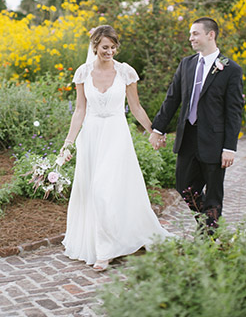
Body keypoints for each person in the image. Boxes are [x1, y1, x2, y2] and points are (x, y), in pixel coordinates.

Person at [60, 25, 173, 271]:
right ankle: (101, 243)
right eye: (104, 48)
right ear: (95, 47)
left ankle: (106, 251)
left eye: (112, 47)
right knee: (93, 190)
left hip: (115, 136)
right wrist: (68, 142)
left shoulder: (125, 72)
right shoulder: (83, 73)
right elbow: (79, 110)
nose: (109, 52)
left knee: (104, 189)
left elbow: (136, 108)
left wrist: (154, 130)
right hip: (91, 136)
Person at [149, 17, 244, 233]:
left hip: (215, 141)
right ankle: (208, 223)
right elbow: (172, 99)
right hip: (188, 137)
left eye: (195, 33)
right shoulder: (187, 64)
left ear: (211, 35)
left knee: (213, 193)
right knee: (183, 186)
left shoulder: (230, 69)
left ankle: (208, 236)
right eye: (191, 34)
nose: (190, 37)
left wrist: (229, 148)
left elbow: (234, 112)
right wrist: (158, 129)